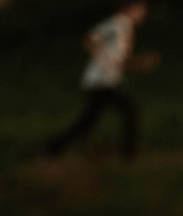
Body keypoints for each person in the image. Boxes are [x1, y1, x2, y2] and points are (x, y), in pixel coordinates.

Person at [43, 4, 147, 161]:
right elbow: (90, 39)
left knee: (88, 123)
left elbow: (118, 61)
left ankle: (51, 149)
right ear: (130, 8)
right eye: (141, 9)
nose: (143, 14)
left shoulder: (124, 27)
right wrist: (105, 62)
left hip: (106, 81)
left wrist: (139, 64)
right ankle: (130, 155)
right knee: (130, 112)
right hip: (102, 81)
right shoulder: (118, 23)